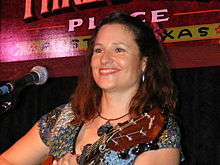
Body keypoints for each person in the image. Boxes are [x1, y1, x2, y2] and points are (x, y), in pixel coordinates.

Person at [0, 12, 182, 165]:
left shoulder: (157, 131)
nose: (105, 59)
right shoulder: (65, 118)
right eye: (98, 50)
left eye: (119, 50)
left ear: (144, 62)